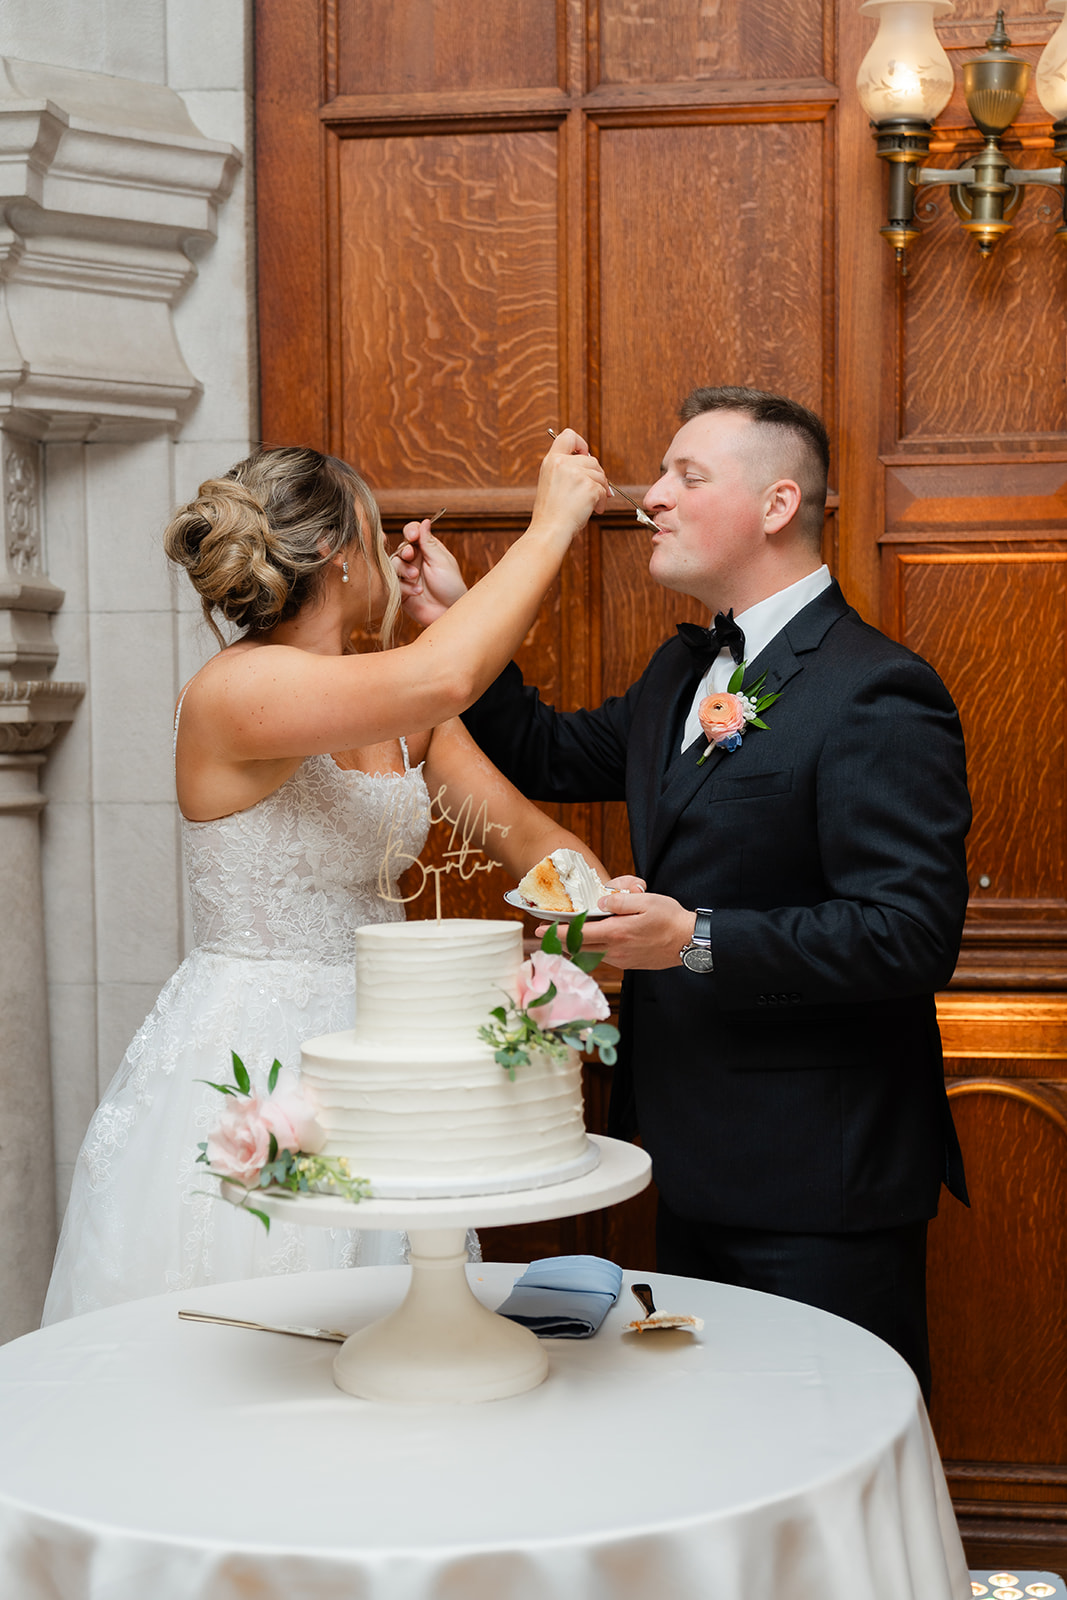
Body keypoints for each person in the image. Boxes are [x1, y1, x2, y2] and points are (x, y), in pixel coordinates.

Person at [403, 387, 971, 1400]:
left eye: (684, 476)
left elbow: (908, 934)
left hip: (819, 1182)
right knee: (711, 1448)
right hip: (684, 1156)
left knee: (817, 1447)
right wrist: (456, 617)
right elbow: (540, 746)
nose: (649, 498)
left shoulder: (876, 687)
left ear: (776, 503)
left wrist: (693, 937)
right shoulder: (680, 673)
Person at [42, 434, 612, 1322]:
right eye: (378, 535)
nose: (392, 553)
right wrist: (551, 523)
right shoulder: (240, 691)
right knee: (270, 1315)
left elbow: (526, 838)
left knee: (396, 1317)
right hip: (261, 1054)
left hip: (387, 1051)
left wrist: (603, 916)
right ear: (339, 557)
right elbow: (445, 670)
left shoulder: (398, 711)